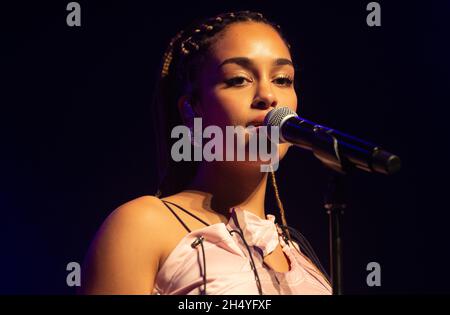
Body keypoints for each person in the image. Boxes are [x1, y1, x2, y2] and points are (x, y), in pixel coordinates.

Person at [79, 10, 332, 295]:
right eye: (238, 79)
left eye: (282, 79)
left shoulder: (299, 257)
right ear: (192, 109)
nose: (268, 95)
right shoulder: (143, 226)